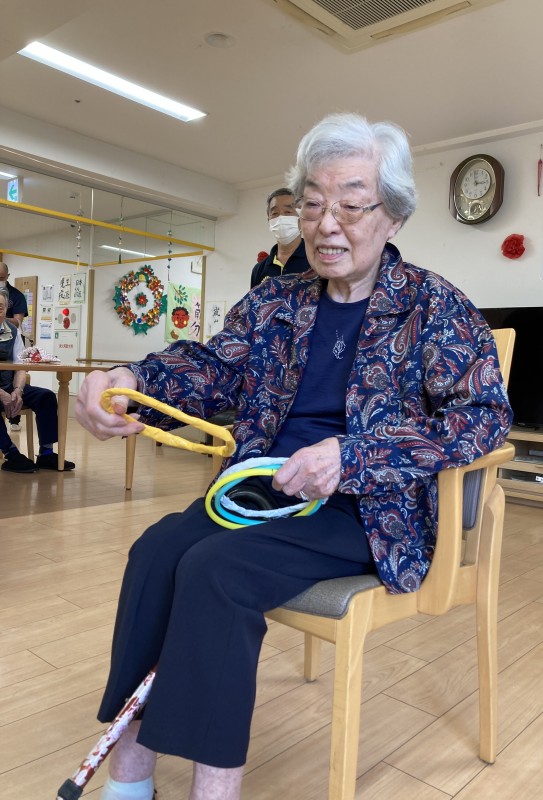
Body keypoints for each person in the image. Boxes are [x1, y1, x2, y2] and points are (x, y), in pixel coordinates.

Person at [75, 112, 512, 800]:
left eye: (350, 206)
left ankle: (213, 791)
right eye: (311, 204)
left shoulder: (435, 306)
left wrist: (352, 456)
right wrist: (132, 380)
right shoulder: (276, 300)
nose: (326, 224)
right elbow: (213, 367)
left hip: (367, 511)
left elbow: (484, 418)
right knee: (156, 551)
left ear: (393, 216)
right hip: (261, 491)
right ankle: (130, 781)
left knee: (217, 571)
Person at [0, 289, 76, 473]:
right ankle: (11, 453)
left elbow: (20, 365)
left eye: (0, 307)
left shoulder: (13, 331)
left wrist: (17, 391)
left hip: (9, 385)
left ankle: (47, 453)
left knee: (46, 397)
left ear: (6, 310)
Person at [249, 187, 312, 288]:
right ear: (269, 221)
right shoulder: (259, 270)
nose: (281, 218)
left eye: (288, 212)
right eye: (275, 213)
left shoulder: (316, 261)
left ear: (302, 218)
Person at [0, 261, 28, 431]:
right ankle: (8, 446)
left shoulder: (17, 295)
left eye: (1, 278)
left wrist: (18, 390)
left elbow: (18, 321)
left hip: (9, 335)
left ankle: (14, 418)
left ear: (7, 277)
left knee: (45, 397)